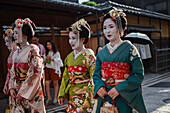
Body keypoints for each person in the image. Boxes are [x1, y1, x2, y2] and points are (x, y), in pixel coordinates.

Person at [93, 8, 147, 113]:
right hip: (105, 94)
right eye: (104, 28)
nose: (107, 31)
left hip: (123, 95)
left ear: (120, 27)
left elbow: (138, 74)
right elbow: (96, 74)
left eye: (111, 27)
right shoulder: (101, 52)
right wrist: (99, 86)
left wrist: (120, 88)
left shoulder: (130, 49)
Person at [58, 19, 96, 113]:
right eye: (69, 38)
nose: (71, 41)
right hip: (72, 95)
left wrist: (90, 96)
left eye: (74, 38)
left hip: (85, 96)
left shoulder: (89, 55)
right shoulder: (69, 57)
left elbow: (93, 76)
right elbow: (65, 77)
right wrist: (62, 94)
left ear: (82, 39)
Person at [9, 18, 46, 113]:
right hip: (18, 90)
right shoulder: (15, 53)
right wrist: (12, 87)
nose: (14, 35)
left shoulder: (33, 49)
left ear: (25, 35)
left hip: (31, 92)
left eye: (17, 33)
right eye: (14, 33)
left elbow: (35, 72)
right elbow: (12, 72)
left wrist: (23, 91)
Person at [45, 39, 63, 105]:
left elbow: (59, 61)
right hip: (48, 68)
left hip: (54, 68)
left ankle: (55, 97)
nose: (48, 46)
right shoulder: (47, 52)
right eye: (47, 45)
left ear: (52, 45)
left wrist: (51, 59)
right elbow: (44, 60)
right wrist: (46, 60)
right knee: (46, 83)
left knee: (55, 83)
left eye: (49, 44)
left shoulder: (56, 53)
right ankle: (49, 97)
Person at [3, 29, 18, 95]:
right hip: (11, 82)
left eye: (7, 41)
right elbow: (9, 72)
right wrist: (6, 83)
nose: (6, 44)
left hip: (18, 83)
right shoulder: (11, 54)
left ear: (14, 41)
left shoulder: (19, 52)